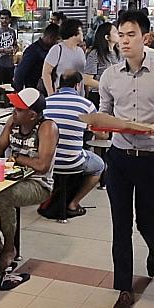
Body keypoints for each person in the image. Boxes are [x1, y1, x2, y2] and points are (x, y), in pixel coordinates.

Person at [96, 9, 154, 308]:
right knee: (121, 226)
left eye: (131, 34)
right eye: (120, 35)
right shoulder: (109, 76)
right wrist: (100, 123)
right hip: (119, 159)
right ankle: (124, 289)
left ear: (145, 37)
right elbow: (105, 111)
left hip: (150, 159)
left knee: (147, 221)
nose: (125, 41)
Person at [0, 87, 57, 283]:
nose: (13, 110)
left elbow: (42, 166)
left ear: (32, 115)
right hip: (8, 180)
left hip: (38, 184)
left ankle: (9, 248)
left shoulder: (47, 127)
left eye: (18, 109)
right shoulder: (13, 122)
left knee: (4, 196)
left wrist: (17, 157)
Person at [43, 71, 108, 218]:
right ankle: (73, 204)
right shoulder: (86, 105)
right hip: (72, 162)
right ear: (78, 85)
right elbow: (102, 134)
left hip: (46, 163)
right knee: (99, 166)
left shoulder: (46, 102)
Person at [42, 18, 86, 95]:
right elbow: (46, 73)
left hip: (79, 96)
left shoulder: (80, 51)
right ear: (74, 32)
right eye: (81, 31)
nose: (83, 34)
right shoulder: (57, 49)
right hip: (61, 94)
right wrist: (51, 94)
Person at [15, 24, 59, 92]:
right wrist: (18, 92)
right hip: (34, 91)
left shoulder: (52, 50)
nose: (57, 42)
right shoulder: (33, 50)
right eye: (57, 39)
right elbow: (20, 72)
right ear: (50, 37)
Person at [82, 21, 120, 96]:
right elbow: (87, 80)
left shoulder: (119, 52)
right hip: (99, 95)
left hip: (116, 95)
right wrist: (106, 87)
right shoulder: (95, 54)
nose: (119, 34)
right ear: (107, 37)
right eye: (115, 32)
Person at [0, 8, 19, 87]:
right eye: (2, 18)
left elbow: (15, 44)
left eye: (6, 18)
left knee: (9, 87)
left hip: (10, 65)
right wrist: (3, 50)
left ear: (10, 19)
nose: (4, 20)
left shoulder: (12, 31)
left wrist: (16, 48)